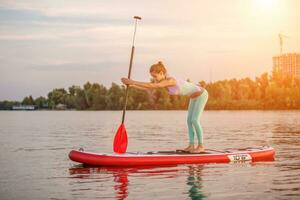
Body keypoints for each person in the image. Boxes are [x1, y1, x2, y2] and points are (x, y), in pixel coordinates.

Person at [121, 61, 208, 153]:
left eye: (155, 76)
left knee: (194, 120)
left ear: (161, 73)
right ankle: (191, 146)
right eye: (152, 77)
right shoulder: (163, 79)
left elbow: (153, 85)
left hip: (201, 94)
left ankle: (201, 146)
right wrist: (132, 86)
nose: (154, 79)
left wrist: (132, 81)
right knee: (189, 121)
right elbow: (149, 87)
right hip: (193, 97)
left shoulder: (170, 81)